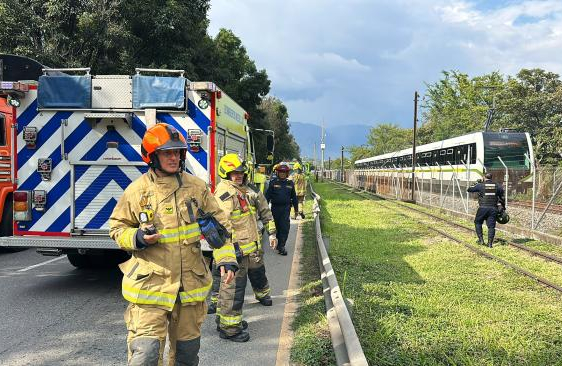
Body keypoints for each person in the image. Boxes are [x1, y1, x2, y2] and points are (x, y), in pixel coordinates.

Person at [109, 123, 238, 366]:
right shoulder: (137, 191)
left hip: (190, 288)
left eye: (177, 152)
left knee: (186, 357)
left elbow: (222, 228)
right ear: (151, 156)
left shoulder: (196, 188)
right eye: (167, 152)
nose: (174, 157)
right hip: (150, 288)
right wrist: (136, 238)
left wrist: (227, 258)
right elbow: (117, 229)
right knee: (145, 356)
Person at [213, 153, 278, 342]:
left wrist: (272, 233)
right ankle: (230, 329)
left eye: (241, 172)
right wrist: (228, 252)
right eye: (234, 173)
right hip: (235, 251)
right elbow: (223, 225)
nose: (238, 175)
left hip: (251, 249)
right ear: (226, 174)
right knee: (233, 291)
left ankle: (226, 322)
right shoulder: (225, 193)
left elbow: (265, 211)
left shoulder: (248, 190)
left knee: (238, 288)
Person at [265, 163, 298, 256]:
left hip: (286, 209)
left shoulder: (290, 183)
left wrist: (296, 210)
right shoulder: (273, 183)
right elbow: (267, 197)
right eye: (280, 172)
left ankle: (281, 246)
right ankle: (277, 242)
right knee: (276, 227)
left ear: (287, 173)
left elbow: (294, 198)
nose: (282, 174)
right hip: (275, 209)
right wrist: (264, 209)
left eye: (284, 172)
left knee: (284, 228)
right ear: (277, 173)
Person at [467, 172, 506, 247]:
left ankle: (481, 240)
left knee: (478, 222)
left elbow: (469, 189)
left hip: (483, 208)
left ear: (484, 177)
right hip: (493, 209)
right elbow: (502, 198)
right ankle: (490, 244)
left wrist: (476, 182)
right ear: (491, 177)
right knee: (491, 226)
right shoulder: (497, 186)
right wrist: (503, 208)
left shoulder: (480, 185)